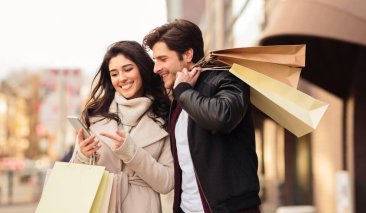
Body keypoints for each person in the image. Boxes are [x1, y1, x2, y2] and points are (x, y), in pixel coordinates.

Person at [143, 19, 261, 213]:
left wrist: (183, 91)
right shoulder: (180, 99)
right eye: (155, 60)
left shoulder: (227, 78)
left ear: (188, 54)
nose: (156, 68)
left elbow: (222, 116)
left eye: (162, 59)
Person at [70, 40, 174, 213]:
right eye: (114, 73)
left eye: (128, 69)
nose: (122, 78)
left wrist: (131, 152)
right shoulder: (93, 115)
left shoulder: (165, 116)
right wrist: (82, 156)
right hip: (100, 205)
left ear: (142, 69)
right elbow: (75, 174)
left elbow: (166, 183)